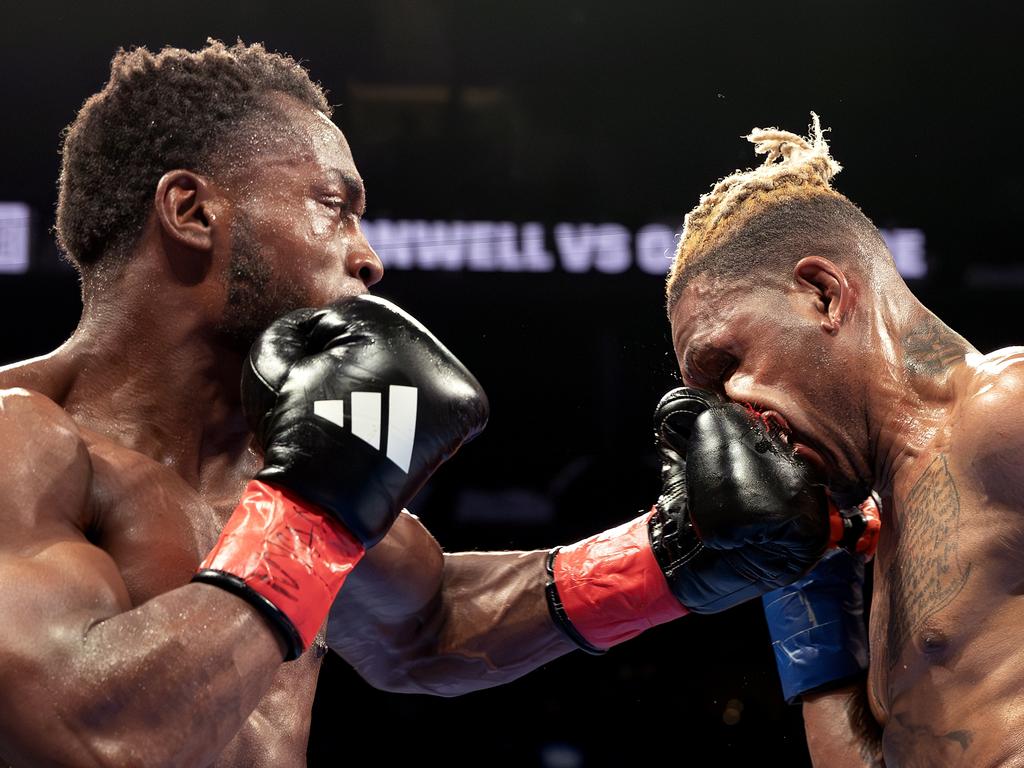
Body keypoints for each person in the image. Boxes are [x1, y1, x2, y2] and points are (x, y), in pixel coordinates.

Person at [0, 41, 860, 768]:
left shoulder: (273, 472)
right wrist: (311, 518)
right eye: (333, 208)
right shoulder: (23, 441)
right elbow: (83, 736)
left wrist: (671, 555)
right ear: (191, 211)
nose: (368, 259)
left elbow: (430, 624)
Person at [665, 113, 1024, 767]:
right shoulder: (881, 526)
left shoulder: (1006, 411)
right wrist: (806, 591)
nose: (732, 420)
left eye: (726, 368)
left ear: (823, 294)